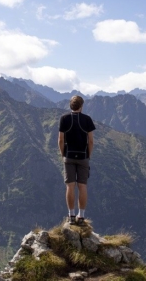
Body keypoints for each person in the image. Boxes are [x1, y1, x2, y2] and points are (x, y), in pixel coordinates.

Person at [58, 95, 95, 225]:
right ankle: (81, 216)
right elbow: (90, 141)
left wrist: (63, 154)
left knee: (70, 186)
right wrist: (88, 155)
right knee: (82, 186)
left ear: (70, 105)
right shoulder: (87, 120)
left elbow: (61, 140)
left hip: (69, 156)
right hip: (83, 156)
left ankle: (71, 215)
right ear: (81, 106)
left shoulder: (64, 119)